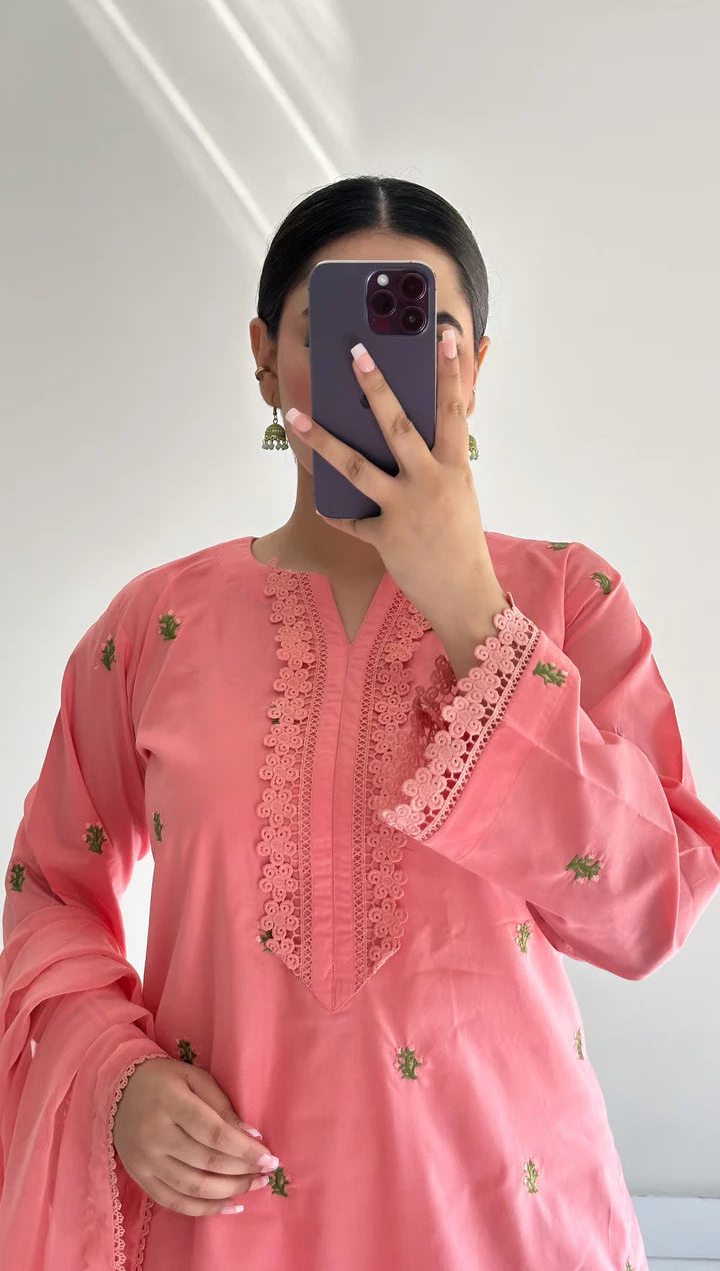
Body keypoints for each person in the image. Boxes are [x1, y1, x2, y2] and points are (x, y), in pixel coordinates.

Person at [2, 175, 720, 1271]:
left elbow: (652, 908)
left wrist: (474, 612)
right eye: (332, 329)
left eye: (425, 330)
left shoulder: (570, 600)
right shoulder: (153, 627)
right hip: (227, 1226)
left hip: (504, 1218)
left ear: (476, 367)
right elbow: (50, 897)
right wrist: (115, 1074)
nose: (375, 369)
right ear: (263, 359)